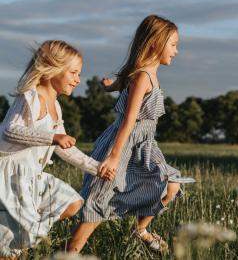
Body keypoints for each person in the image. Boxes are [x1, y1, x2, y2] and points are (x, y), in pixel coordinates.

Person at [67, 15, 195, 253]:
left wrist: (110, 86)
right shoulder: (142, 77)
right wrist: (114, 157)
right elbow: (128, 119)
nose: (176, 51)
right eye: (173, 44)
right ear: (155, 43)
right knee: (95, 207)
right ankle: (66, 255)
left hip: (144, 146)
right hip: (122, 146)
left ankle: (140, 230)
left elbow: (123, 81)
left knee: (171, 186)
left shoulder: (144, 75)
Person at [0, 40, 115, 260]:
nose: (78, 80)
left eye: (78, 74)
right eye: (73, 72)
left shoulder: (56, 107)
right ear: (52, 68)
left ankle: (9, 238)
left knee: (73, 203)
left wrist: (96, 168)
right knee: (27, 232)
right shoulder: (30, 97)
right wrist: (52, 137)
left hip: (32, 176)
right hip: (11, 173)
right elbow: (9, 131)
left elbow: (66, 150)